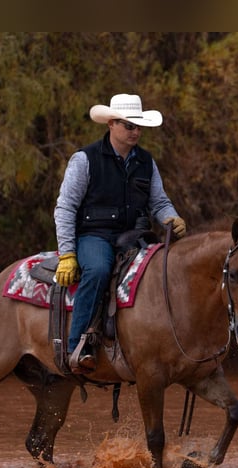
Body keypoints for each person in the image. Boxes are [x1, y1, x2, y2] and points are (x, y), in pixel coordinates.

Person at [54, 93, 186, 373]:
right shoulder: (84, 159)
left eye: (138, 127)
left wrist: (170, 217)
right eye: (129, 126)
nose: (136, 132)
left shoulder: (146, 162)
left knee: (163, 271)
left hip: (135, 237)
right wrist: (67, 252)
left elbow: (159, 202)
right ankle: (77, 346)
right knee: (99, 270)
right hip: (94, 236)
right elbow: (65, 208)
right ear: (111, 124)